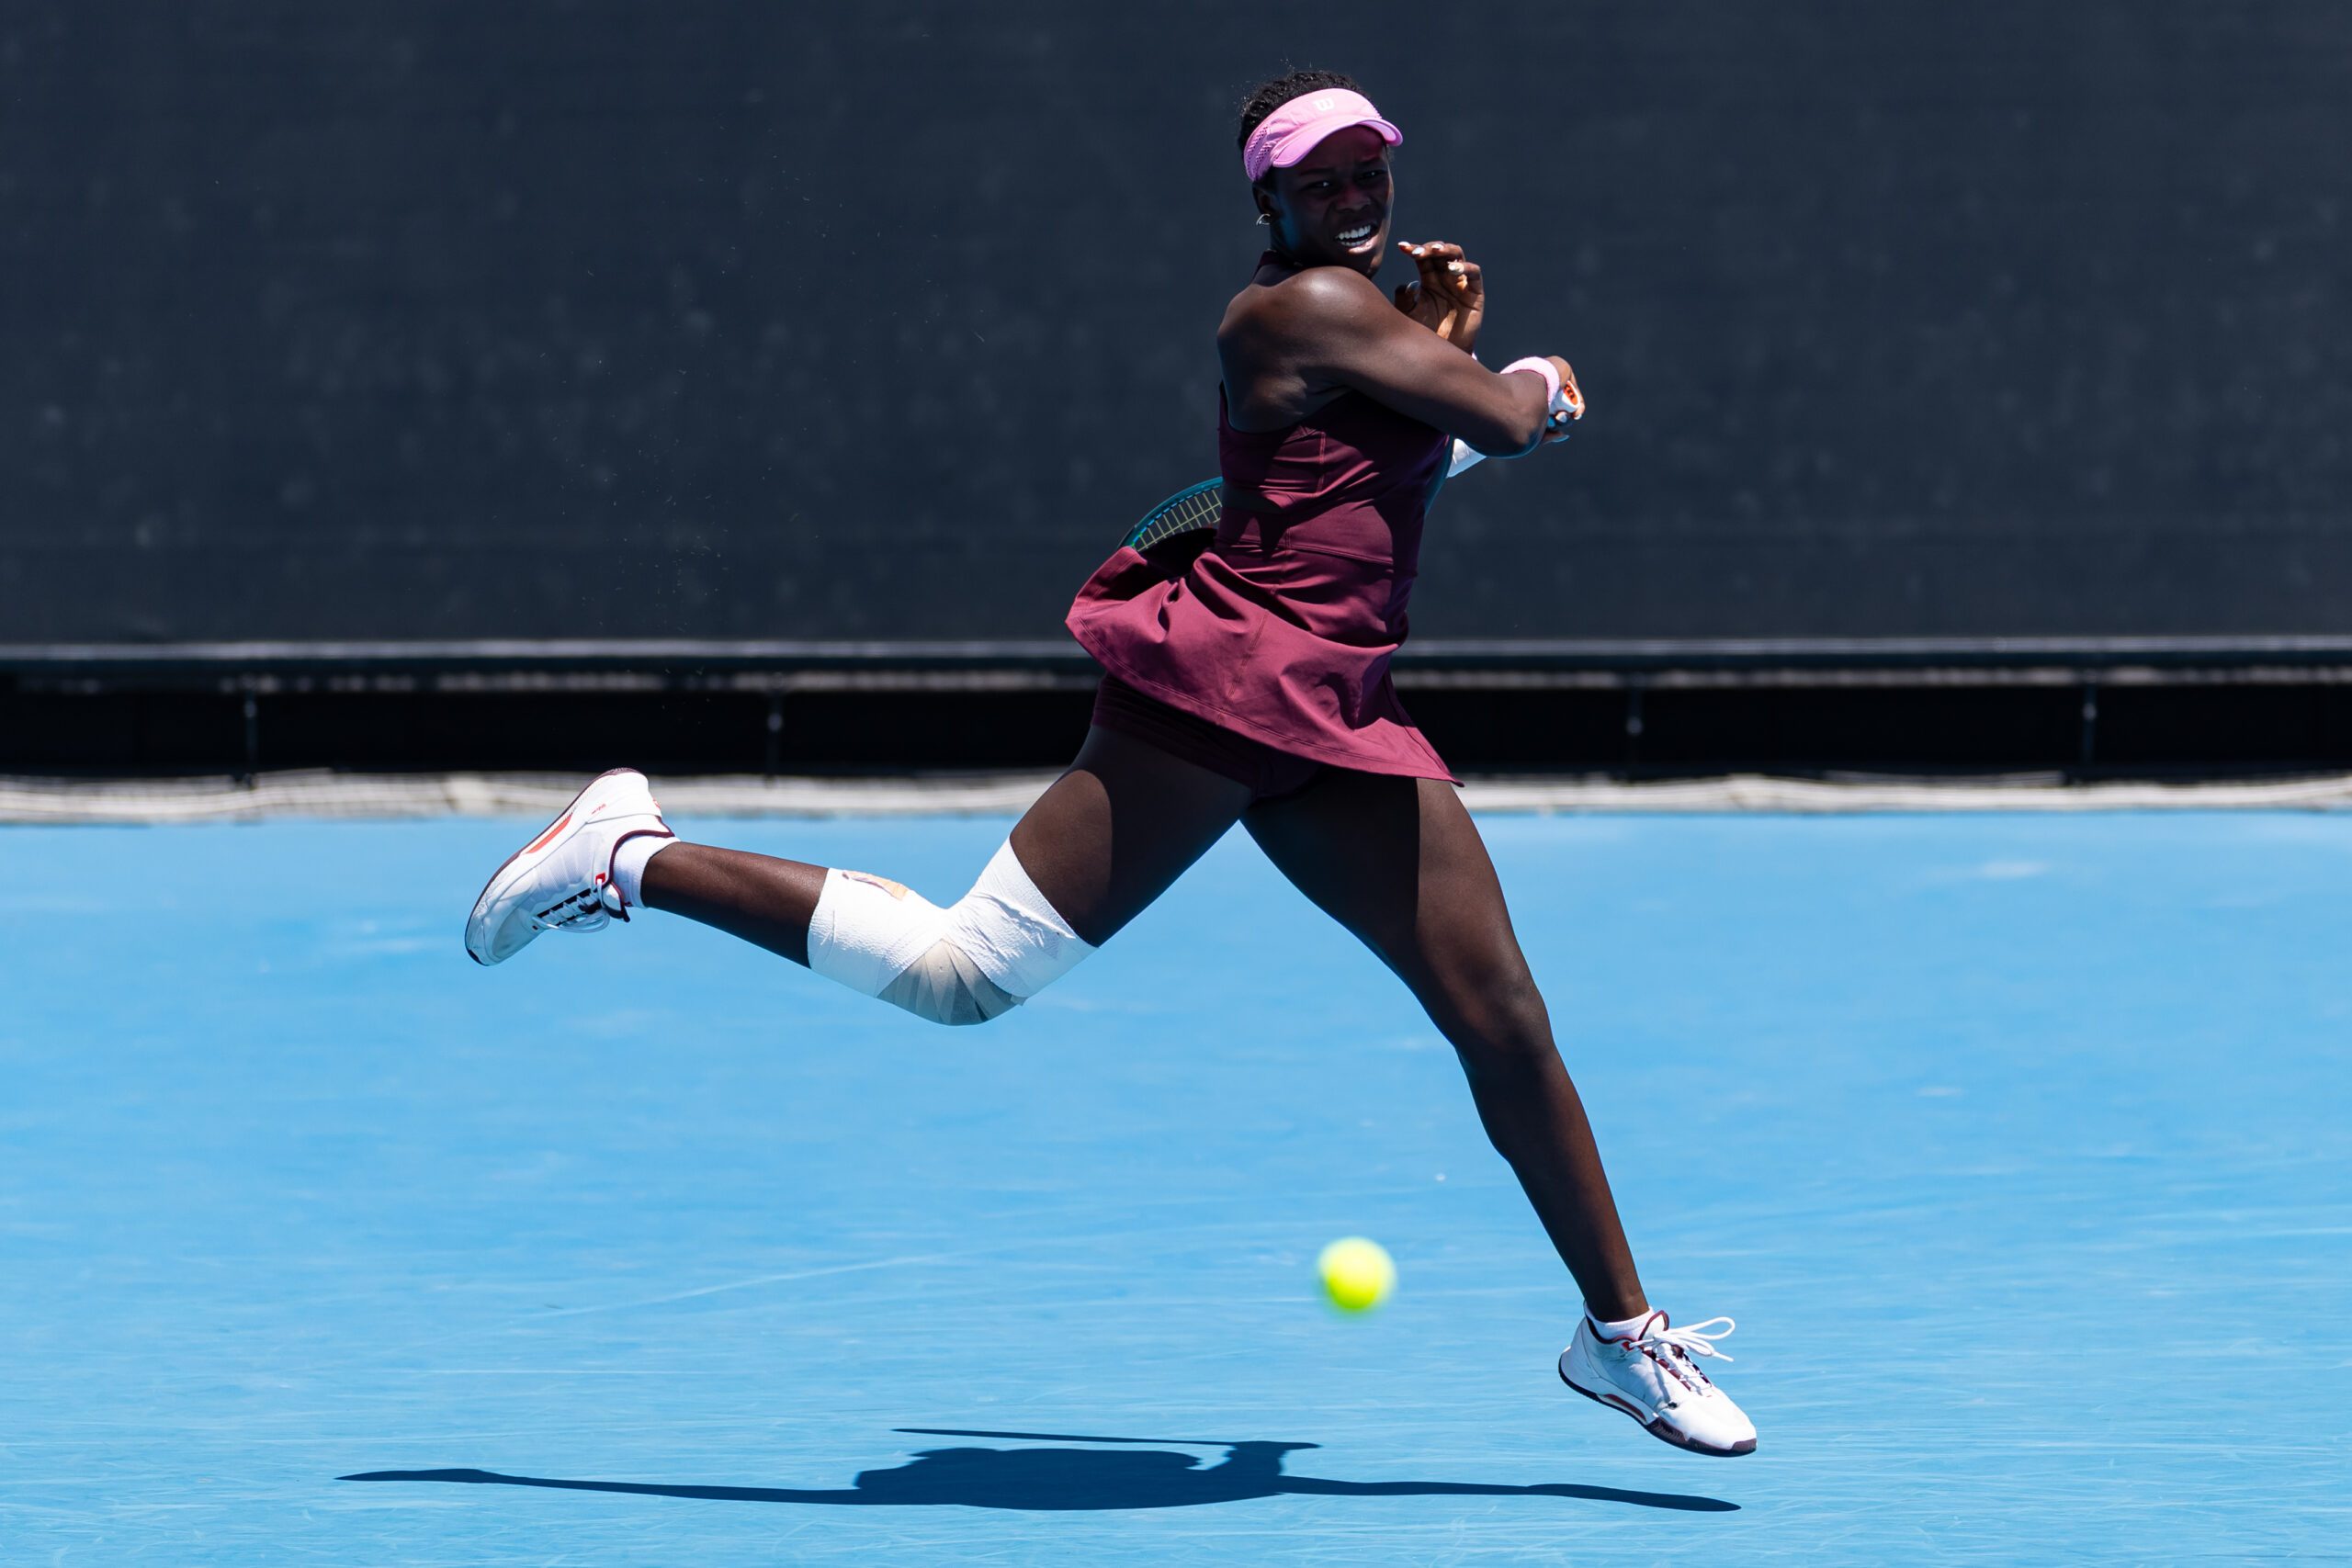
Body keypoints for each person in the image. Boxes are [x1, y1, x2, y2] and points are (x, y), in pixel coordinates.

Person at [463, 69, 1755, 1458]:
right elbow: (1502, 424)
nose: (1355, 197)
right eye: (1319, 179)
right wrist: (1530, 382)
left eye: (1368, 170)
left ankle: (1620, 1339)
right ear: (1264, 196)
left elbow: (1394, 480)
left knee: (1501, 1016)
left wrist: (1431, 367)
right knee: (960, 978)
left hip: (1337, 721)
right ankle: (630, 857)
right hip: (1217, 698)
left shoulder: (1365, 317)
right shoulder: (1300, 307)